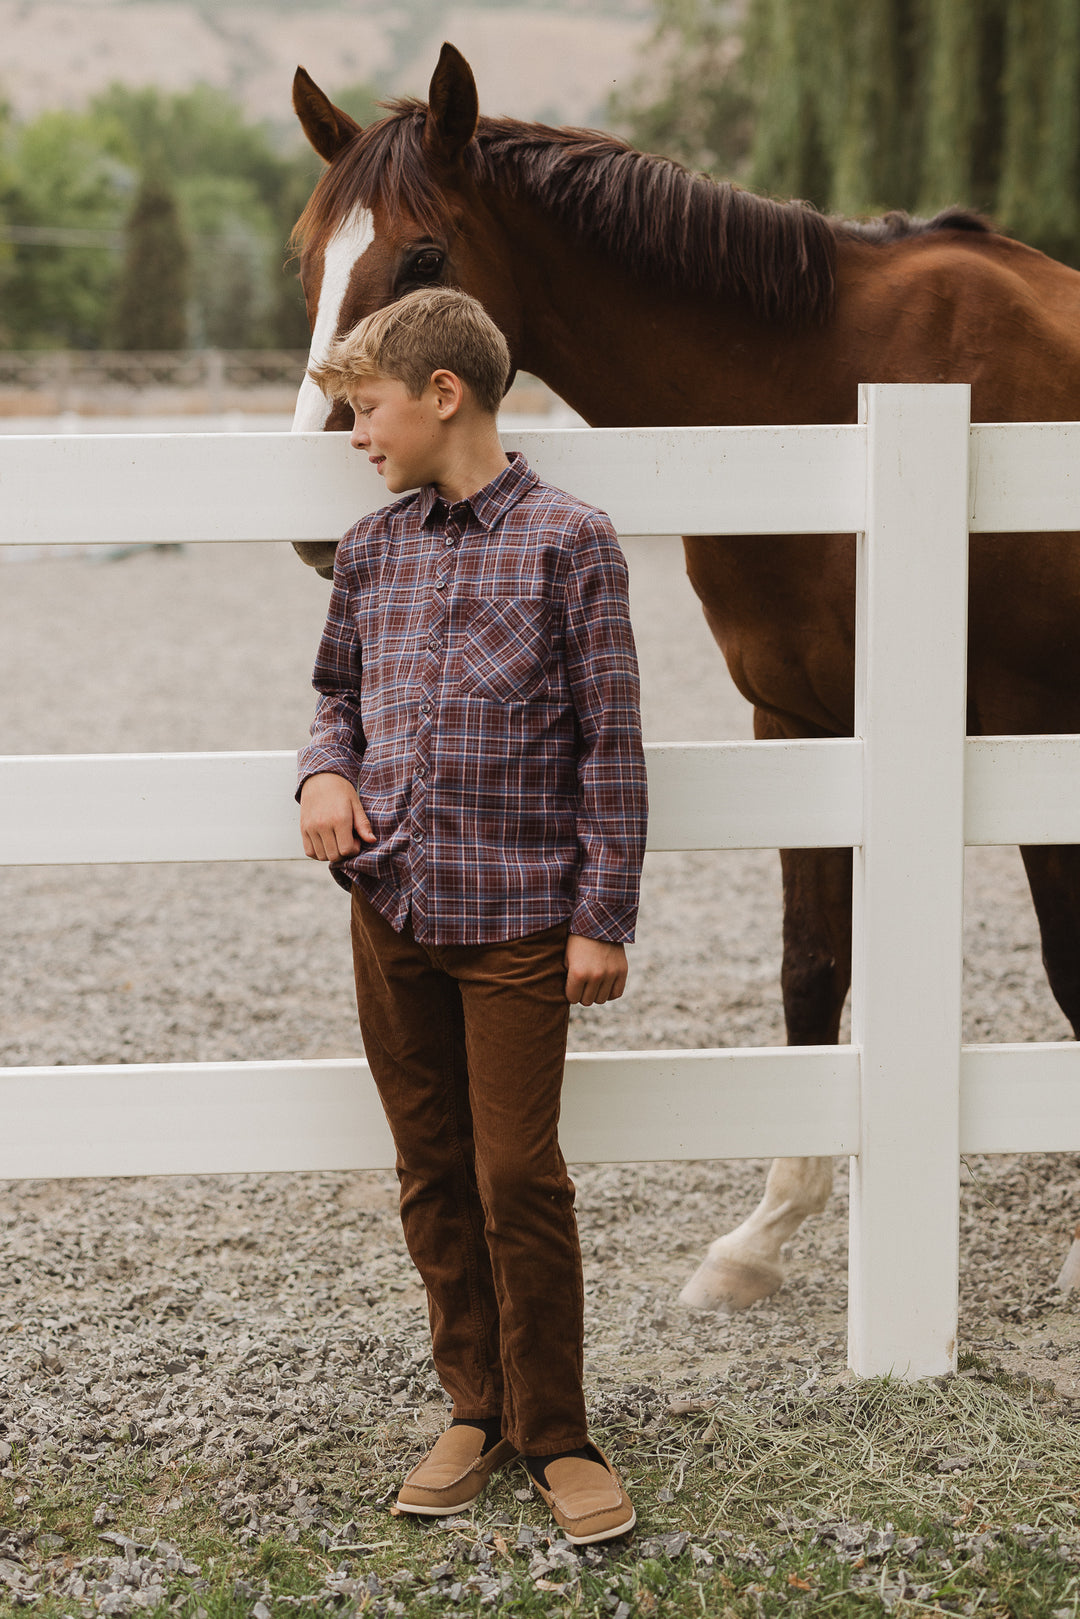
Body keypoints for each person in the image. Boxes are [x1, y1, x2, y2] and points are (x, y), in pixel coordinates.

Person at [297, 286, 647, 1545]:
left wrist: (601, 913)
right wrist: (323, 770)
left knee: (516, 1172)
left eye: (366, 407)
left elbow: (612, 742)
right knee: (430, 1166)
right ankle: (475, 1407)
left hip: (515, 919)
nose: (354, 434)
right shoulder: (374, 547)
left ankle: (557, 1428)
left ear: (445, 395)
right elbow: (335, 693)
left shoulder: (573, 540)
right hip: (389, 906)